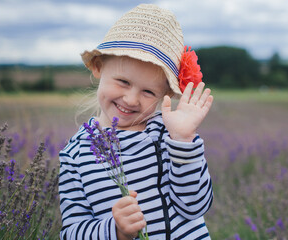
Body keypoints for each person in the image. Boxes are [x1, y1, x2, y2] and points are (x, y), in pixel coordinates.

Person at [59, 4, 214, 240]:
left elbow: (195, 207)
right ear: (98, 67)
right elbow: (71, 232)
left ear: (166, 96)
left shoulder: (167, 134)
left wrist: (183, 140)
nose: (131, 99)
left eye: (148, 92)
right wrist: (115, 230)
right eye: (122, 81)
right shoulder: (75, 156)